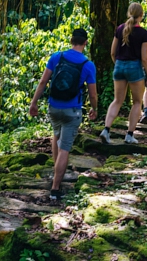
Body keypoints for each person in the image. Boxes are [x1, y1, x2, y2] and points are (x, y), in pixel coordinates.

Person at [29, 29, 98, 202]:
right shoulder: (88, 65)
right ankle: (55, 188)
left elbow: (43, 82)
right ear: (85, 43)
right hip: (72, 110)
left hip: (54, 107)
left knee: (56, 135)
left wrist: (34, 102)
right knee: (65, 147)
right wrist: (94, 108)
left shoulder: (56, 57)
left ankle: (56, 171)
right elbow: (93, 94)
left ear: (71, 40)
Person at [99, 2, 147, 145]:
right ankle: (129, 135)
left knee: (117, 100)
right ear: (141, 16)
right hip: (135, 67)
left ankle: (106, 130)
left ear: (129, 13)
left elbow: (112, 52)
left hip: (119, 65)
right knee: (137, 102)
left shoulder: (120, 29)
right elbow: (145, 58)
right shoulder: (143, 33)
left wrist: (118, 64)